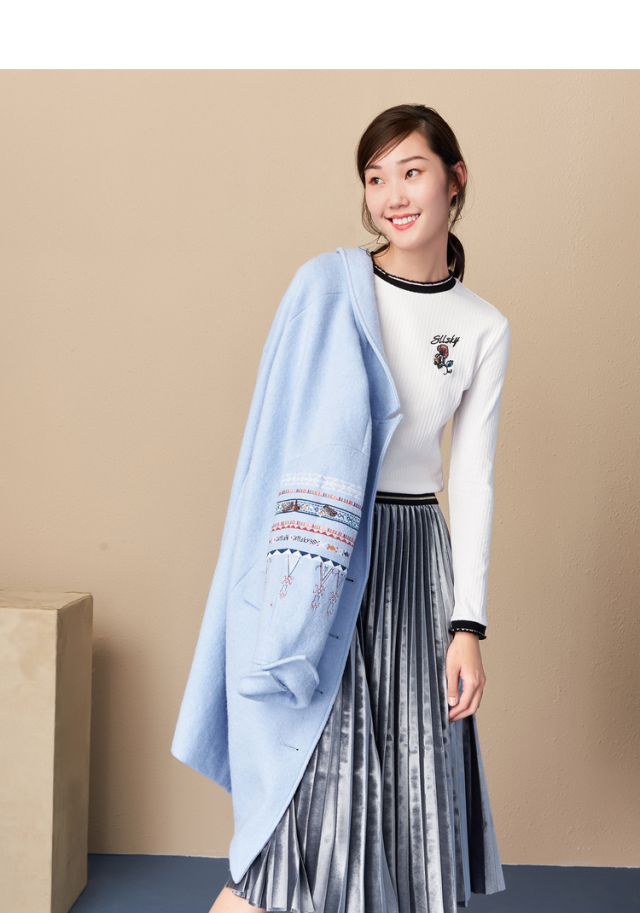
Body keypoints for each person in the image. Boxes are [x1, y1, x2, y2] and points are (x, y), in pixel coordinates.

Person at [182, 103, 511, 913]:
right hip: (323, 566)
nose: (392, 195)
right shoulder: (329, 287)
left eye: (412, 171)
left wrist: (468, 624)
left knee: (404, 810)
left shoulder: (481, 327)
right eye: (375, 177)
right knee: (300, 812)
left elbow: (471, 480)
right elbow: (273, 442)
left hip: (414, 565)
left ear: (455, 179)